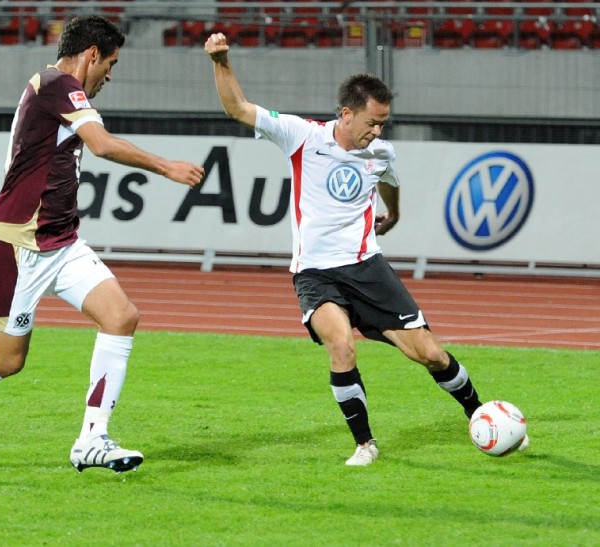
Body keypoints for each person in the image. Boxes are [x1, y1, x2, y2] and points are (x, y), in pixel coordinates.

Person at [0, 15, 205, 473]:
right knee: (7, 360)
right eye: (111, 63)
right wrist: (166, 166)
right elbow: (102, 145)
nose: (110, 75)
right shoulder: (57, 84)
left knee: (121, 316)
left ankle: (92, 440)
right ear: (92, 54)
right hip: (14, 248)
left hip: (60, 243)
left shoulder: (61, 92)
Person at [204, 33, 527, 466]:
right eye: (372, 122)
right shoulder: (302, 136)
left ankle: (481, 415)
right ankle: (365, 444)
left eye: (383, 124)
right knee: (342, 347)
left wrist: (393, 215)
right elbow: (238, 108)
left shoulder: (380, 152)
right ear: (346, 113)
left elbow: (390, 183)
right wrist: (221, 61)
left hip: (367, 269)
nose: (377, 132)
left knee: (430, 354)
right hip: (315, 273)